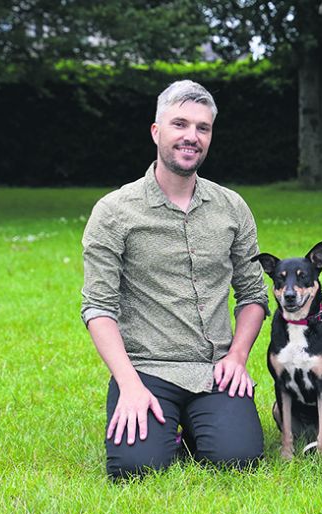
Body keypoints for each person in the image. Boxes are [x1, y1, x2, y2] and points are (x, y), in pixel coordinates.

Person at [81, 80, 269, 480]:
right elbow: (98, 307)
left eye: (202, 128)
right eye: (180, 124)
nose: (191, 137)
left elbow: (253, 294)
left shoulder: (232, 207)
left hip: (215, 368)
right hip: (146, 368)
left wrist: (237, 357)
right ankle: (165, 424)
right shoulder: (114, 211)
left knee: (240, 460)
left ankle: (192, 427)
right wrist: (128, 384)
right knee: (136, 469)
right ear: (156, 131)